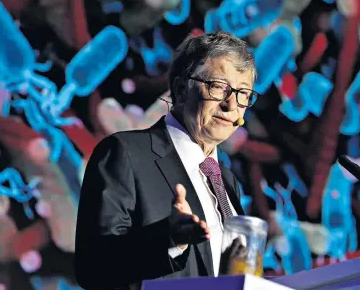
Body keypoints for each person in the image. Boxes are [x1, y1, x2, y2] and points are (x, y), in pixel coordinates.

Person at [75, 31, 258, 290]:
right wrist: (169, 239)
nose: (232, 105)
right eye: (219, 86)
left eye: (244, 94)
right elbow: (93, 266)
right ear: (182, 90)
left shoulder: (226, 180)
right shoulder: (124, 152)